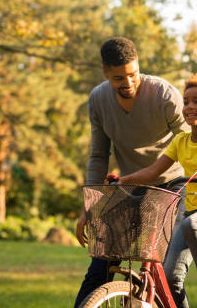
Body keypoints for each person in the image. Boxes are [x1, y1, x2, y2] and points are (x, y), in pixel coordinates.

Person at [74, 37, 188, 308]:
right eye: (118, 78)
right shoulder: (98, 100)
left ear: (138, 66)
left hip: (172, 184)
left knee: (169, 273)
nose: (127, 82)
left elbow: (189, 144)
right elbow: (99, 156)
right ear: (105, 72)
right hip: (130, 184)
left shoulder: (163, 94)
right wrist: (90, 206)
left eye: (132, 74)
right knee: (100, 267)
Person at [119, 73, 197, 308]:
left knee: (191, 224)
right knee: (170, 278)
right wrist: (125, 179)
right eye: (186, 101)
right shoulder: (181, 141)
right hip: (191, 217)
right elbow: (153, 171)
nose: (189, 106)